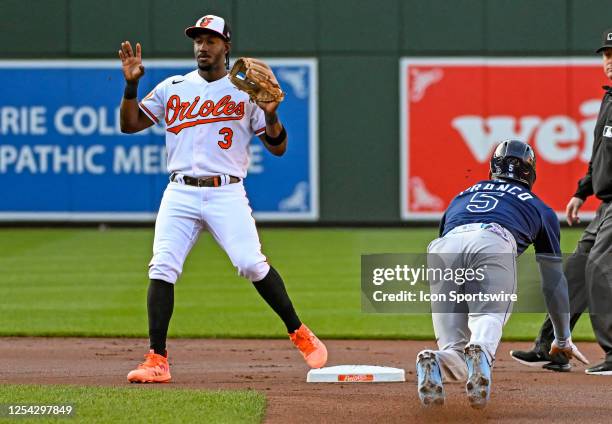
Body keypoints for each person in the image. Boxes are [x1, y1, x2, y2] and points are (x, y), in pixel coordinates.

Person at [117, 14, 327, 383]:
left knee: (250, 263)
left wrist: (272, 116)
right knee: (162, 266)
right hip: (180, 191)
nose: (202, 46)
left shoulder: (244, 92)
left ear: (226, 46)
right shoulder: (173, 87)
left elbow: (278, 147)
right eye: (198, 40)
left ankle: (298, 331)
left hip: (226, 191)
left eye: (210, 40)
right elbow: (129, 124)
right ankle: (156, 358)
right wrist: (131, 88)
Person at [415, 140, 588, 408]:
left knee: (454, 349)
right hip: (493, 240)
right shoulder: (539, 207)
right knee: (488, 318)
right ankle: (481, 351)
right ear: (529, 172)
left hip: (443, 249)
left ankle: (434, 360)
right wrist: (562, 338)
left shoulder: (463, 195)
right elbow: (554, 282)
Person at [510, 28, 612, 375]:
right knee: (574, 273)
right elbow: (601, 155)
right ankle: (552, 347)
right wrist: (582, 191)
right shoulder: (609, 98)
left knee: (600, 270)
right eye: (606, 55)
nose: (609, 61)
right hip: (604, 206)